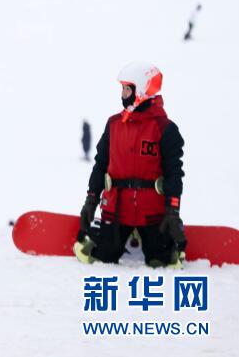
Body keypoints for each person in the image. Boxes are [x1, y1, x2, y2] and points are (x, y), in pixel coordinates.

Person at [74, 62, 187, 268]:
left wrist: (172, 211)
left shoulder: (165, 129)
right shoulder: (114, 124)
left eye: (127, 89)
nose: (123, 94)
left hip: (153, 214)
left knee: (159, 262)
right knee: (104, 257)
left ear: (142, 91)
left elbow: (174, 173)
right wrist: (91, 200)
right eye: (123, 89)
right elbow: (100, 165)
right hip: (116, 210)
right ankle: (102, 232)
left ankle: (169, 238)